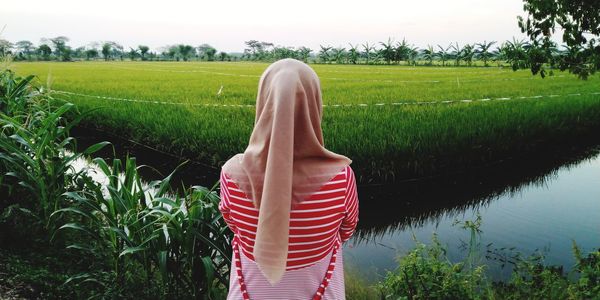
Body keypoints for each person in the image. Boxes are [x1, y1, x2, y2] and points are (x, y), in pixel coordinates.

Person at [219, 58, 359, 300]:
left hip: (249, 290)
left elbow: (233, 224)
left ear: (263, 102)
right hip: (320, 290)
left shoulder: (231, 173)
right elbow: (346, 229)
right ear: (314, 104)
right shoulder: (341, 177)